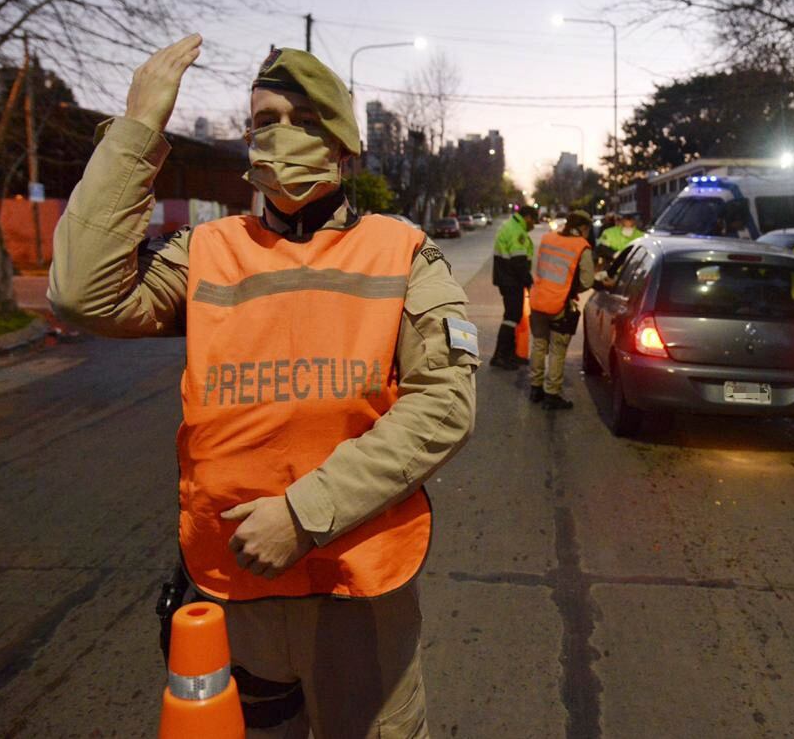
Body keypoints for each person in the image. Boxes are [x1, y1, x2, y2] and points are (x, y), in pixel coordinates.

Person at [48, 36, 477, 738]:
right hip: (231, 587)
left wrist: (304, 515)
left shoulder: (402, 252)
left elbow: (444, 404)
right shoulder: (207, 250)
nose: (279, 135)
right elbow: (82, 295)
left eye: (303, 120)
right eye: (264, 120)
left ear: (342, 144)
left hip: (357, 590)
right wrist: (137, 130)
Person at [527, 210, 595, 410]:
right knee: (558, 349)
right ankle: (552, 394)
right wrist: (571, 289)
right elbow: (587, 281)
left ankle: (535, 388)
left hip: (538, 300)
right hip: (559, 305)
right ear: (583, 228)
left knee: (539, 345)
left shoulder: (548, 238)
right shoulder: (581, 246)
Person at [490, 204, 538, 369]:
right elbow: (519, 262)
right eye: (534, 221)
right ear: (528, 217)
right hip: (511, 279)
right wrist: (529, 282)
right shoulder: (517, 231)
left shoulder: (511, 225)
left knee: (513, 316)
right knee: (511, 317)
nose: (534, 225)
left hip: (506, 278)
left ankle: (509, 355)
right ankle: (500, 356)